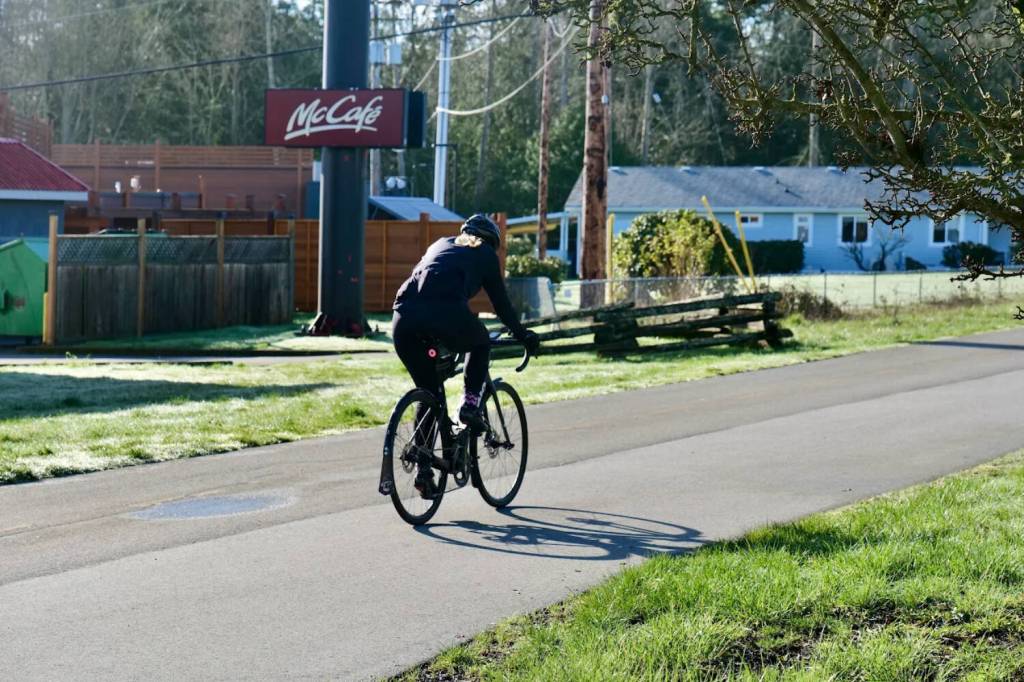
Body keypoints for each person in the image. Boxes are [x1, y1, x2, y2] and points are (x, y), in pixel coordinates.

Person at [392, 213, 539, 498]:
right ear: (492, 242)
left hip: (403, 317)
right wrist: (523, 334)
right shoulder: (485, 253)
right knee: (480, 342)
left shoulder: (441, 243)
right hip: (443, 313)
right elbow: (502, 304)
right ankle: (470, 405)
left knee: (429, 391)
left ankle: (424, 469)